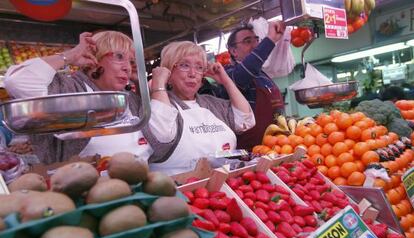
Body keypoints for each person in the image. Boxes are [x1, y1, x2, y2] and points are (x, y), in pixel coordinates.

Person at [4, 31, 152, 164]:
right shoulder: (69, 89)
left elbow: (160, 146)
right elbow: (16, 81)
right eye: (119, 57)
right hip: (85, 188)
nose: (127, 67)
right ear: (95, 57)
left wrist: (142, 85)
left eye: (131, 61)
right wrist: (69, 55)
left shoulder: (130, 99)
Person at [142, 41, 255, 175]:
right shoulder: (160, 105)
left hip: (222, 185)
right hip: (178, 189)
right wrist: (159, 83)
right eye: (184, 65)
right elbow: (161, 136)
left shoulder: (211, 103)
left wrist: (226, 80)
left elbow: (246, 121)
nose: (192, 73)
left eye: (199, 67)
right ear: (168, 73)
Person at [206, 22, 286, 151]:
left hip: (279, 147)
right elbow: (244, 74)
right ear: (233, 51)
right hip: (250, 153)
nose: (255, 45)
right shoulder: (230, 73)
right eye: (248, 41)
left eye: (256, 40)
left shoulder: (263, 75)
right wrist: (270, 40)